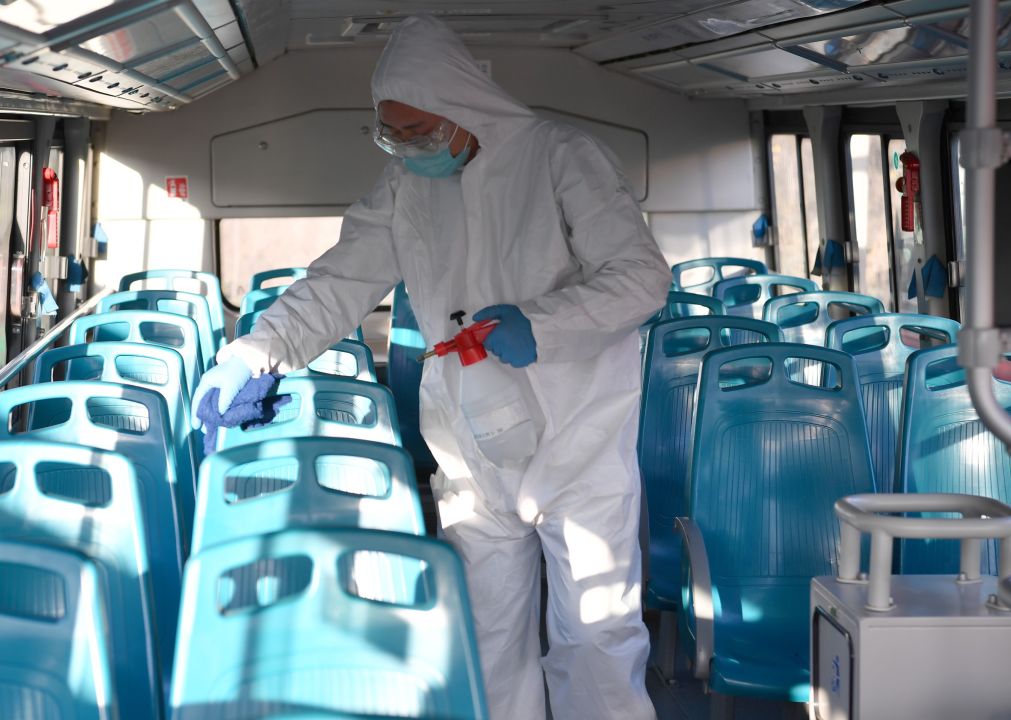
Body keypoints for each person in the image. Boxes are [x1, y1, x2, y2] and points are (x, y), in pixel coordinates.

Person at [192, 15, 669, 720]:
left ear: (463, 108)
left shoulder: (563, 157)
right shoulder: (406, 188)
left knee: (597, 640)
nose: (406, 148)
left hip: (580, 443)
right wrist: (254, 352)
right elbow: (339, 283)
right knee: (484, 642)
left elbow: (641, 279)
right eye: (393, 134)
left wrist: (543, 323)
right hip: (474, 449)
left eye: (417, 132)